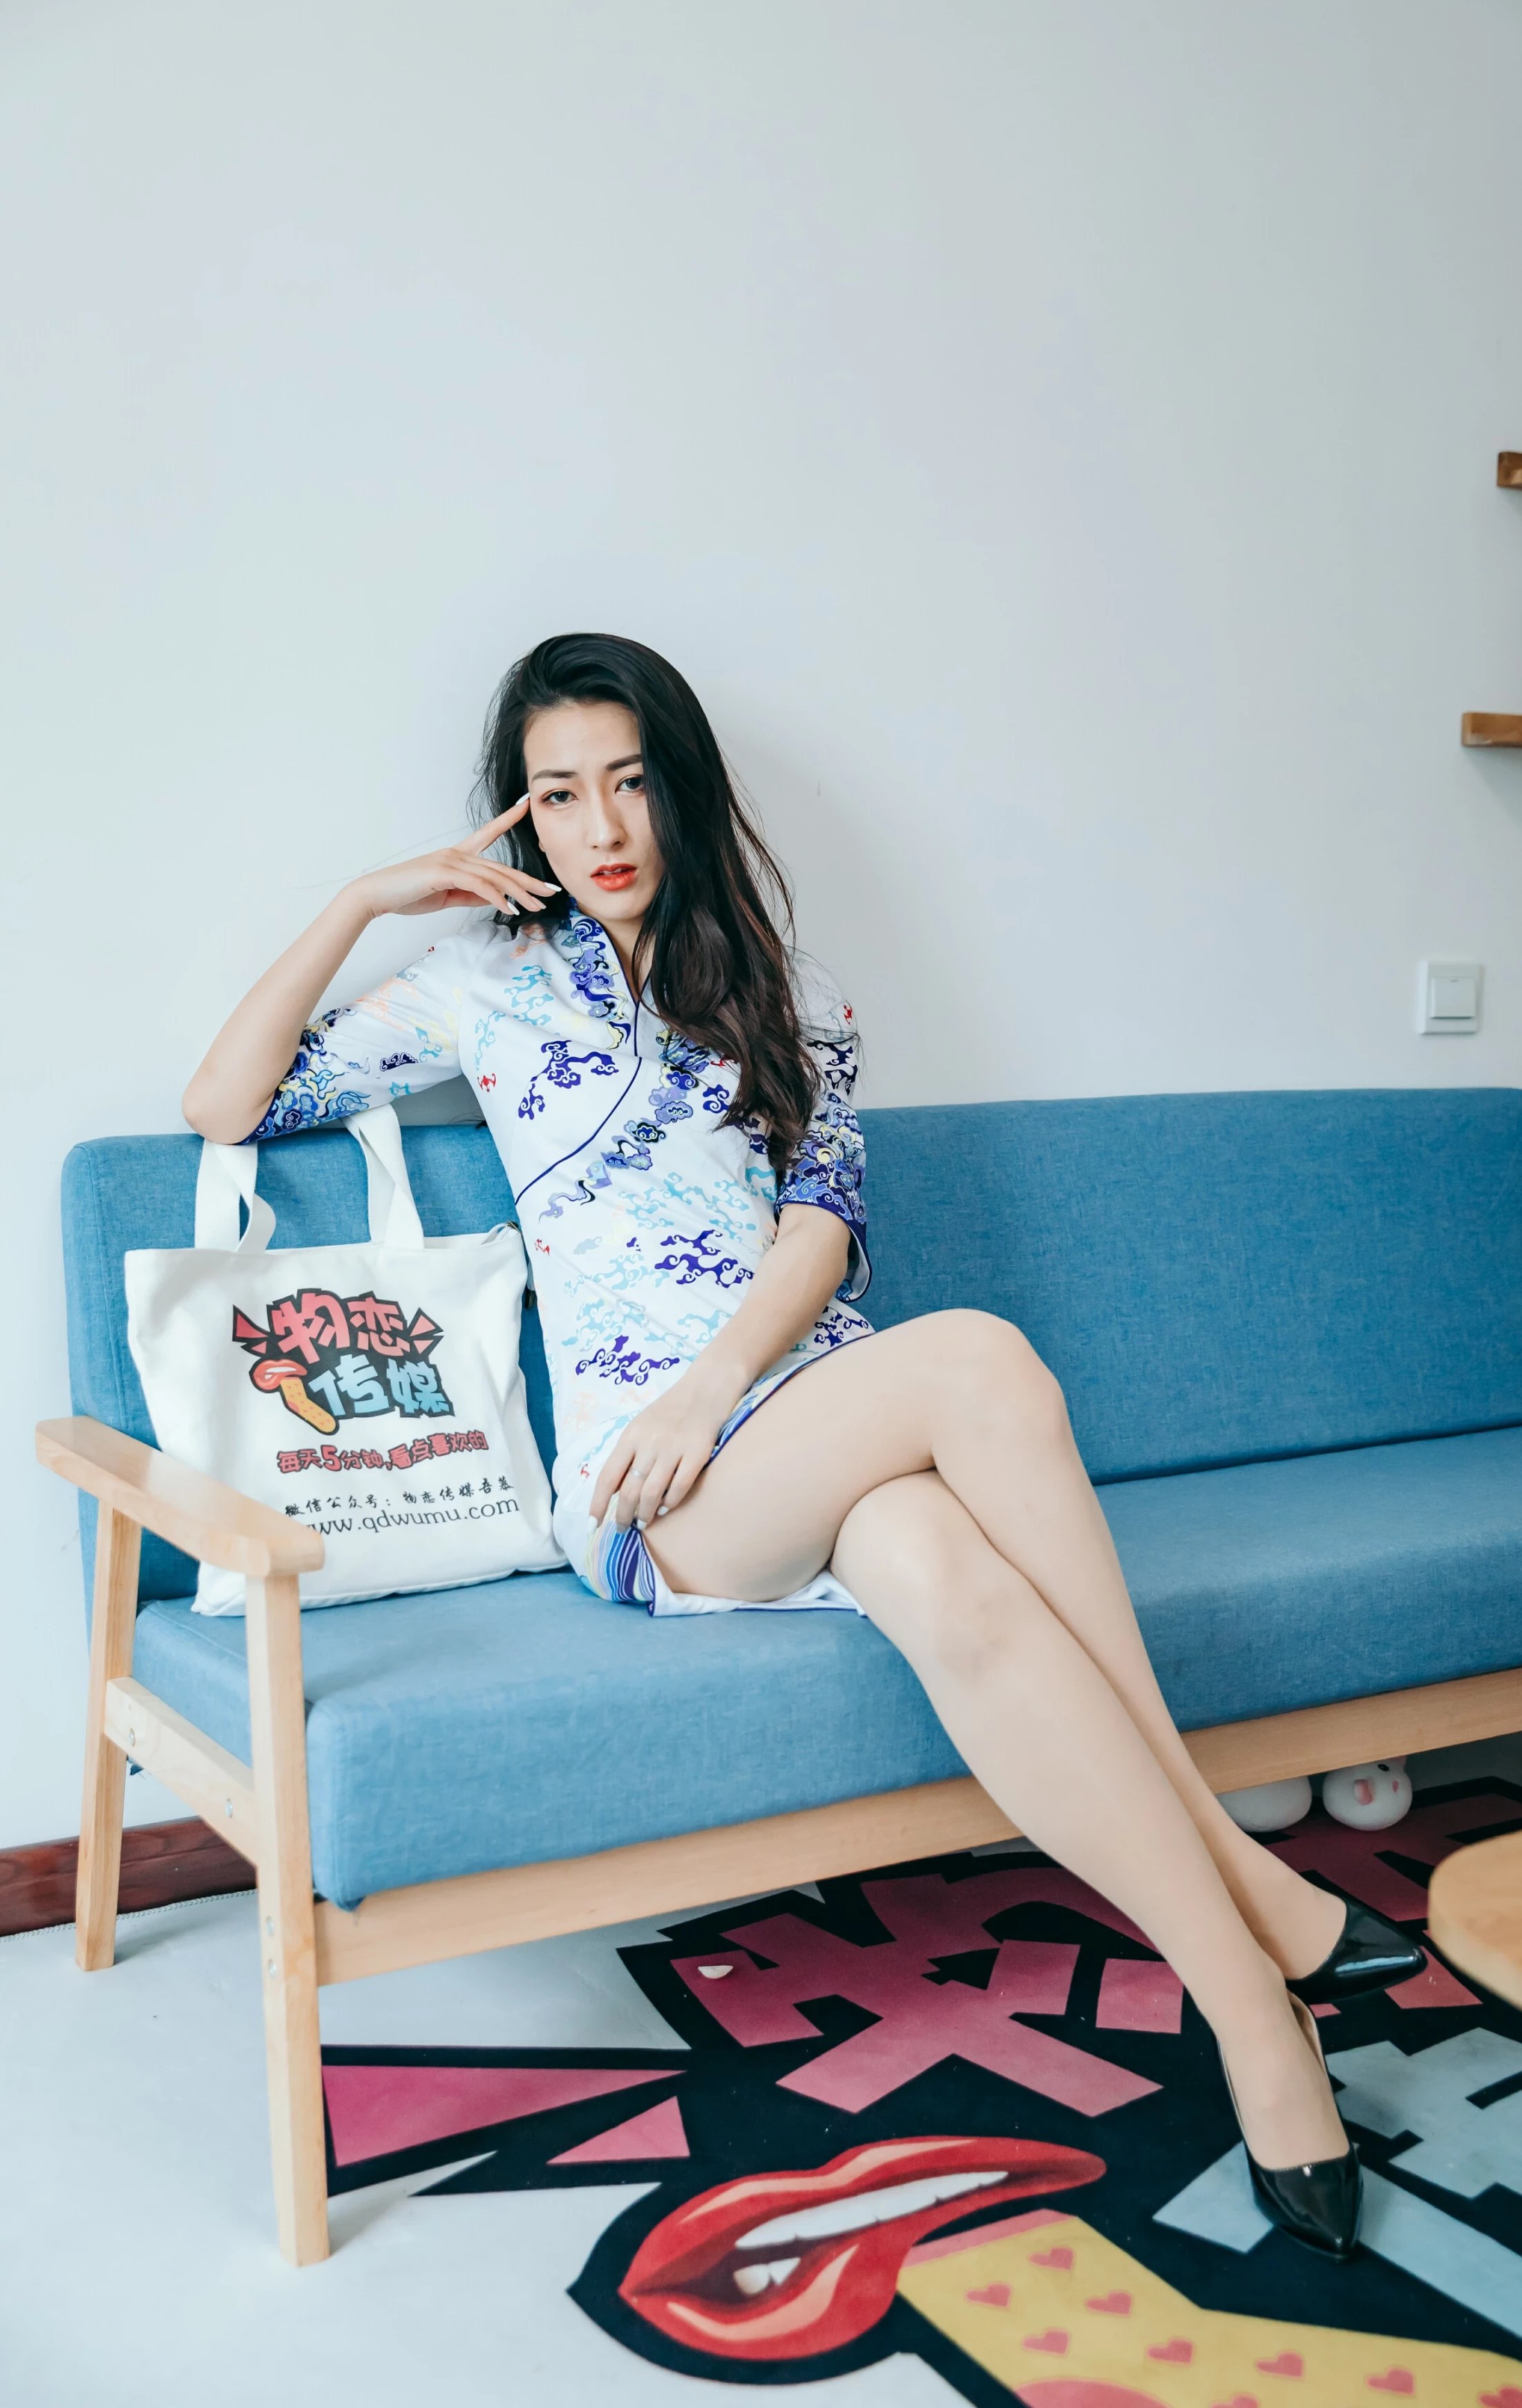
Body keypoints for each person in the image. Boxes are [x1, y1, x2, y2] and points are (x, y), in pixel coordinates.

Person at [185, 632, 1420, 2257]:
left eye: (630, 782)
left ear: (682, 790)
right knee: (978, 1358)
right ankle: (1255, 1902)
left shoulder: (795, 995)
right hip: (657, 1483)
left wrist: (721, 1382)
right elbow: (224, 1102)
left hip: (804, 1424)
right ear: (521, 818)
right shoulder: (484, 987)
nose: (599, 826)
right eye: (557, 794)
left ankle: (1254, 2013)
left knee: (950, 1576)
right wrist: (364, 902)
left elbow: (822, 1232)